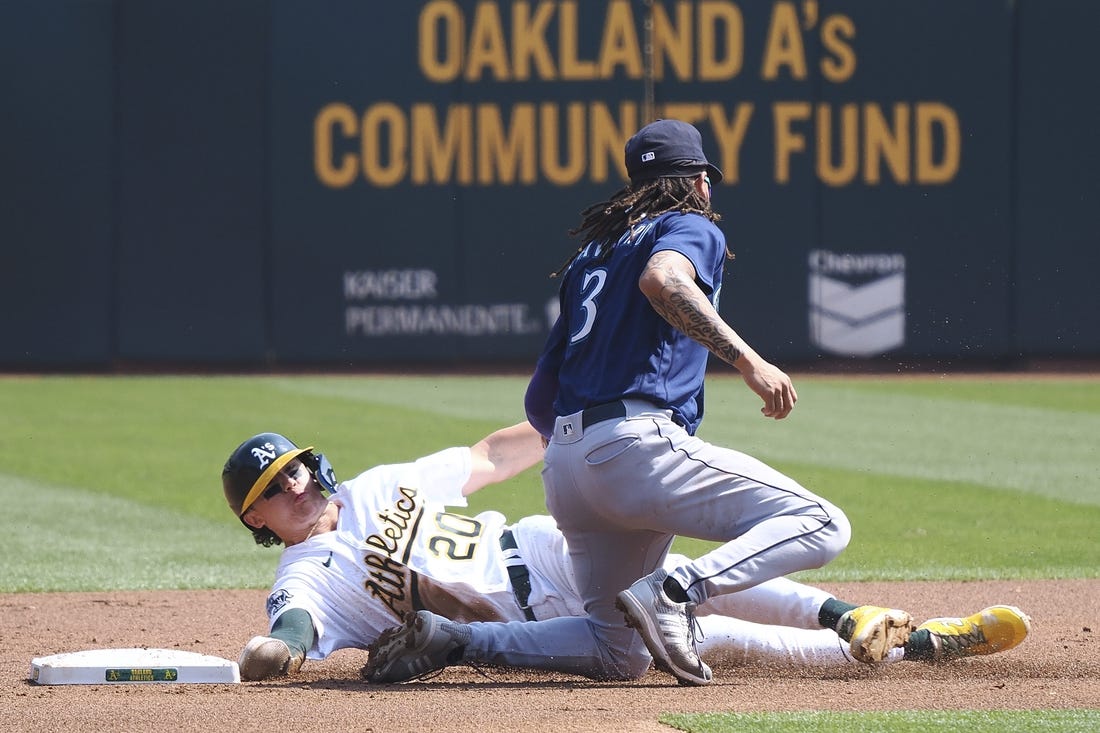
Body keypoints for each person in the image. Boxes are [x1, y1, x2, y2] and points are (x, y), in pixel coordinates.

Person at [362, 119, 967, 685]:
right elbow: (663, 281)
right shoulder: (692, 227)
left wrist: (579, 454)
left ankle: (459, 642)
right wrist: (750, 362)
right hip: (634, 446)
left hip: (568, 468)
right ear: (699, 181)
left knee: (615, 651)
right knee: (823, 524)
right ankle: (677, 588)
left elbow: (542, 394)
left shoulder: (588, 257)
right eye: (707, 179)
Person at [221, 427, 1030, 682]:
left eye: (294, 464)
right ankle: (917, 640)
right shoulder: (306, 575)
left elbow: (489, 454)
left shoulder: (382, 479)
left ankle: (846, 611)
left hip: (536, 551)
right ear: (258, 518)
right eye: (272, 484)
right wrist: (272, 651)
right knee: (721, 641)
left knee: (673, 591)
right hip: (533, 625)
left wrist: (571, 414)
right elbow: (288, 631)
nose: (293, 480)